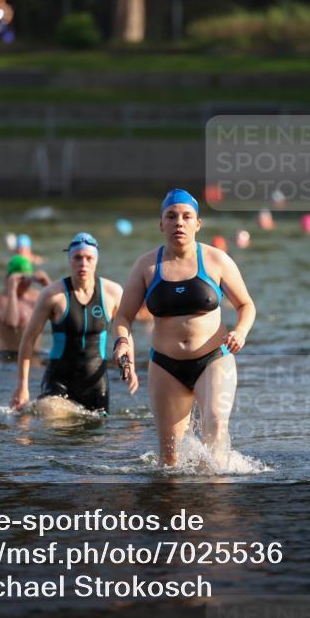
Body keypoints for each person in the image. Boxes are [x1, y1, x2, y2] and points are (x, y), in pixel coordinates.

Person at [112, 189, 256, 467]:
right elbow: (122, 318)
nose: (179, 222)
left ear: (197, 223)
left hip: (214, 358)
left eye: (186, 216)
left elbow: (246, 305)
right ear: (161, 224)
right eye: (172, 216)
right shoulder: (146, 266)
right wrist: (122, 343)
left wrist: (240, 332)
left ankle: (216, 504)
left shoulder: (217, 260)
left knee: (214, 428)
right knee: (169, 460)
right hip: (166, 366)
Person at [10, 233, 123, 415]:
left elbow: (125, 332)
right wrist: (22, 386)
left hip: (96, 385)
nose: (83, 263)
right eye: (77, 257)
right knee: (55, 418)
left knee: (98, 440)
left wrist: (129, 365)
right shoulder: (52, 294)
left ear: (96, 260)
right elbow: (28, 339)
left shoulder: (113, 292)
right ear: (70, 259)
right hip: (58, 381)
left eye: (89, 258)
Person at [0, 255, 50, 355]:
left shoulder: (37, 296)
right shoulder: (2, 299)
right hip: (9, 358)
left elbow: (62, 311)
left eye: (28, 278)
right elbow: (12, 323)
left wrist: (48, 285)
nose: (25, 283)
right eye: (21, 279)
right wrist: (12, 289)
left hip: (35, 355)